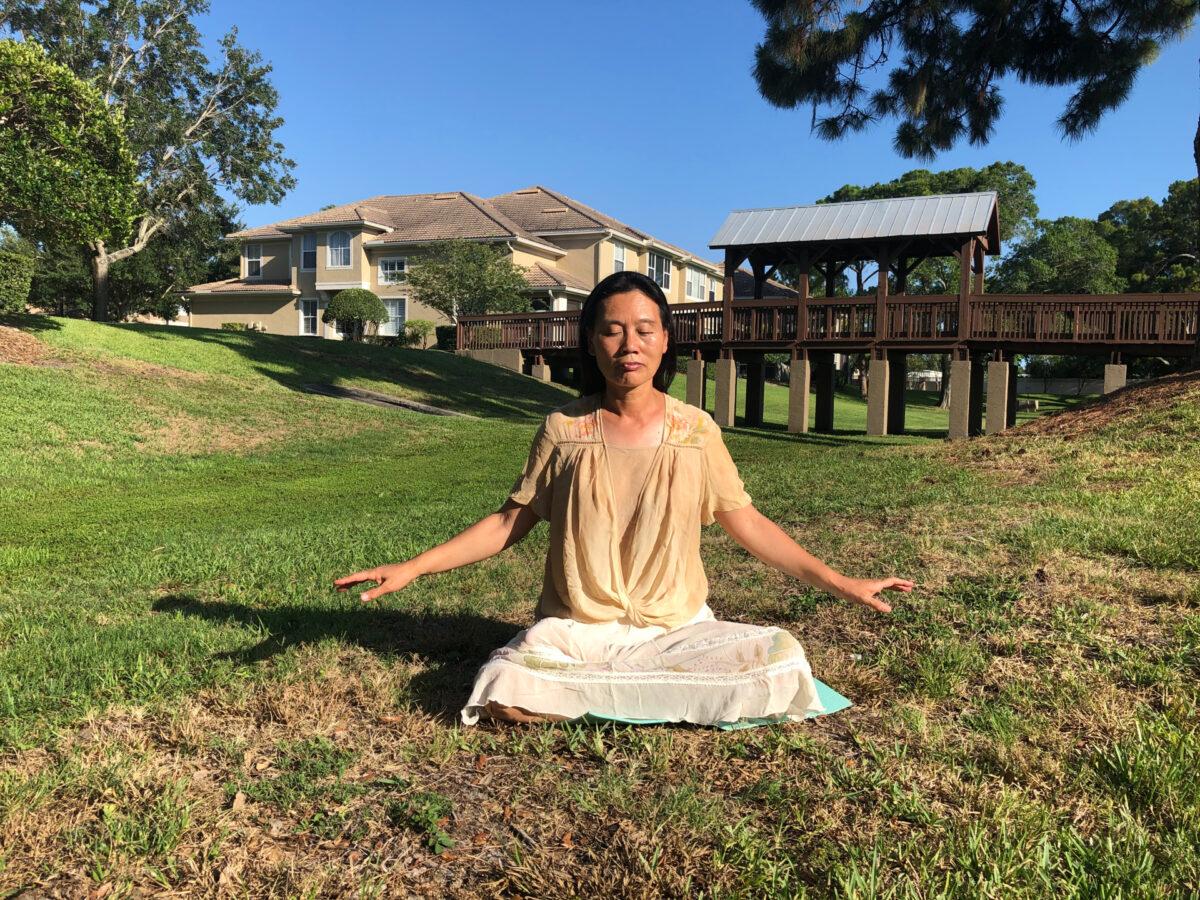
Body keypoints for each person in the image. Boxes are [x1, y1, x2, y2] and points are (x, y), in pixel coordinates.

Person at [334, 271, 913, 727]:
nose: (629, 344)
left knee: (781, 657)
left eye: (644, 330)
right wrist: (413, 567)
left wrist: (842, 582)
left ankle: (604, 695)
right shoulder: (563, 428)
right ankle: (653, 696)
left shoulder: (696, 432)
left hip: (677, 630)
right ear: (592, 341)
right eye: (612, 330)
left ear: (665, 340)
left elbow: (749, 524)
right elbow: (511, 521)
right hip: (577, 629)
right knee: (504, 685)